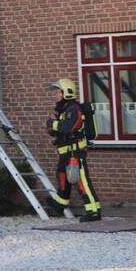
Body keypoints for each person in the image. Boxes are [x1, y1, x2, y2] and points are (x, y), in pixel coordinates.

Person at [44, 78, 102, 222]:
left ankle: (93, 211)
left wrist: (52, 123)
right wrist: (53, 128)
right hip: (65, 153)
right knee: (62, 177)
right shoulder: (63, 110)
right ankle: (60, 204)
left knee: (82, 181)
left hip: (75, 153)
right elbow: (59, 131)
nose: (55, 95)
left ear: (67, 93)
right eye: (56, 92)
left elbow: (68, 127)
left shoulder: (73, 109)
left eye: (58, 92)